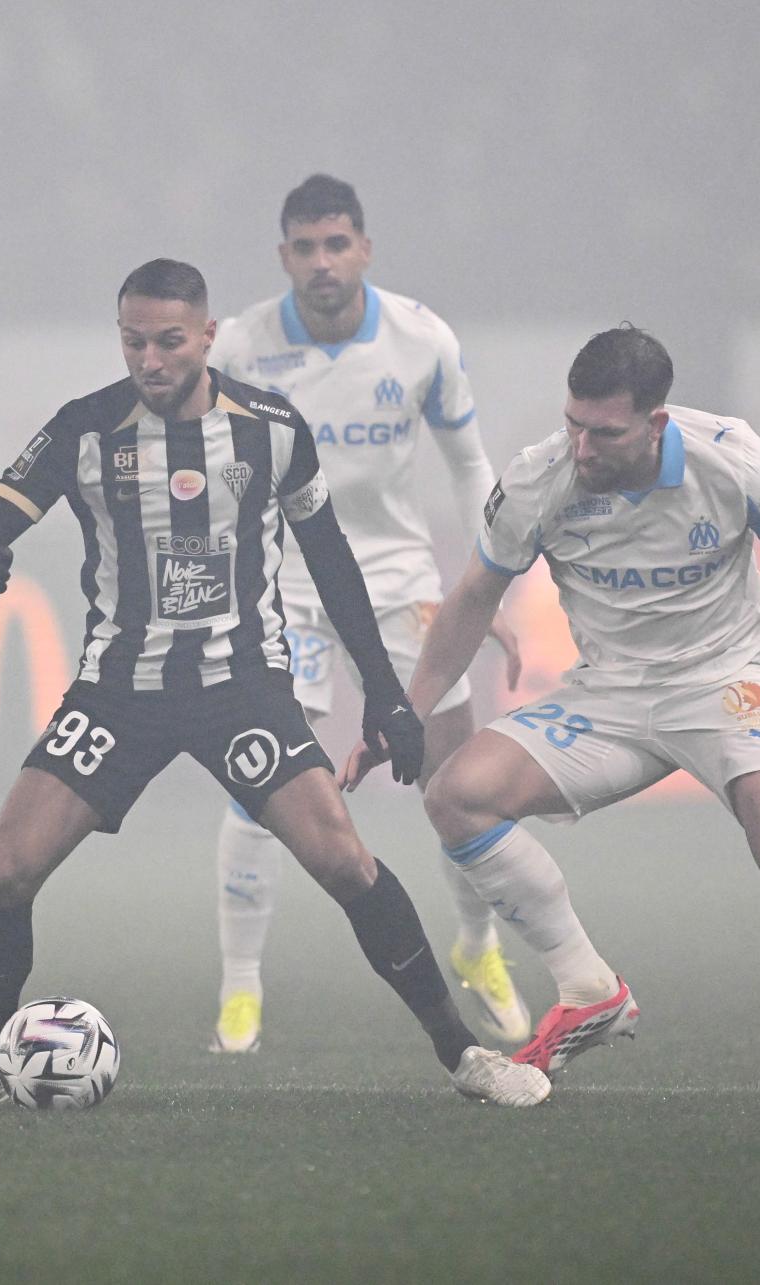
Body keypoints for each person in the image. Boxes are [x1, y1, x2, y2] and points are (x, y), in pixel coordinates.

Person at [0, 258, 550, 1110]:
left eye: (170, 341)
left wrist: (388, 695)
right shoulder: (83, 429)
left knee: (345, 861)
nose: (151, 359)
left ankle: (465, 1055)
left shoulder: (272, 427)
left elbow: (332, 564)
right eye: (134, 341)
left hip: (239, 684)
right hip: (116, 691)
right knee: (7, 870)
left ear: (208, 335)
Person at [345, 324, 760, 1106]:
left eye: (604, 432)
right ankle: (587, 989)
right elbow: (473, 596)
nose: (582, 447)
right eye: (573, 423)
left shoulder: (730, 459)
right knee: (455, 796)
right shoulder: (538, 478)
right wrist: (405, 711)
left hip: (725, 683)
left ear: (656, 422)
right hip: (607, 696)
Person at [201, 173, 530, 1053]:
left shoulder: (421, 340)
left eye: (336, 244)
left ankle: (477, 945)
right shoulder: (236, 344)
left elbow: (469, 466)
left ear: (365, 248)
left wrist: (482, 581)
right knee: (262, 774)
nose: (322, 263)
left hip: (396, 578)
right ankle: (240, 988)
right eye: (305, 248)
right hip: (283, 585)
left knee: (453, 776)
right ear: (284, 256)